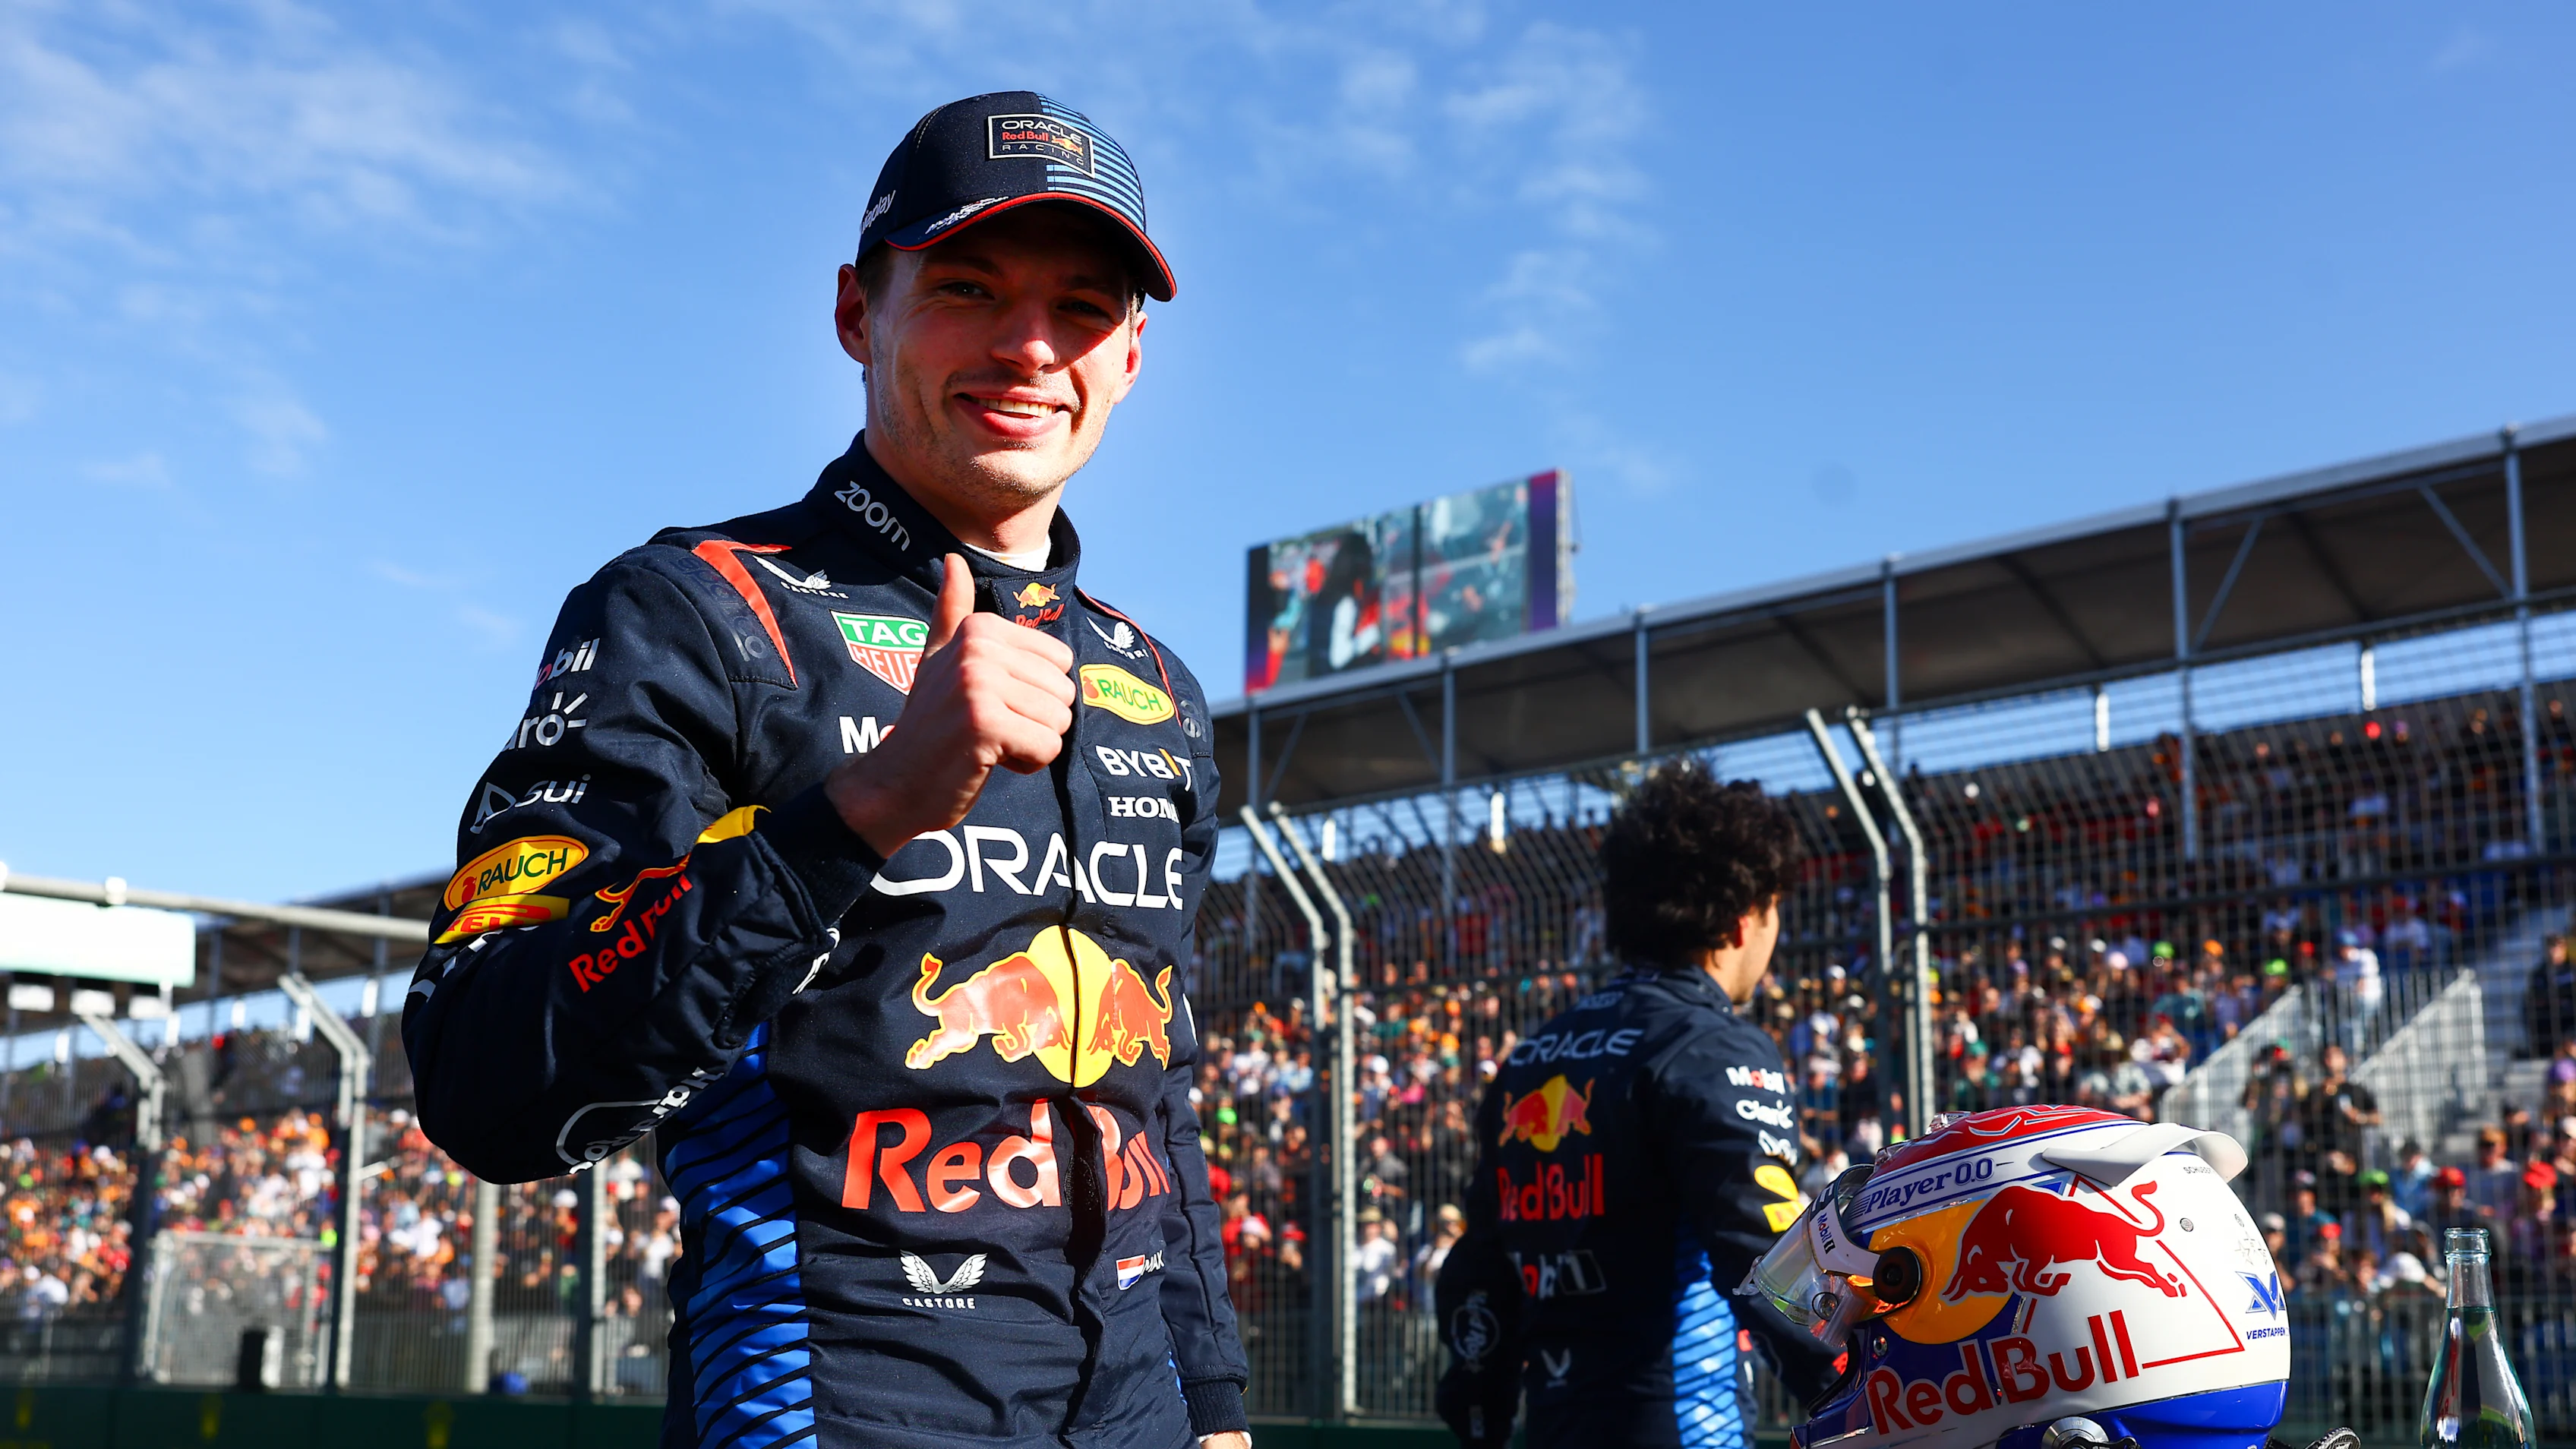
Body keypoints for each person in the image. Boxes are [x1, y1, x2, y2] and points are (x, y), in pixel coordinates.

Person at [402, 92, 1252, 1449]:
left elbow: (1152, 1095)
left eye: (1080, 309)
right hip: (840, 1408)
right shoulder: (697, 612)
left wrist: (1212, 1408)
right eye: (968, 288)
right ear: (859, 313)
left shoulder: (1158, 686)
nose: (1029, 347)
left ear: (1131, 356)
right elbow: (481, 1070)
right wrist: (857, 813)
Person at [1434, 762, 1839, 1449]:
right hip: (1679, 1425)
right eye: (1775, 911)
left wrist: (1479, 1399)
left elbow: (1482, 1263)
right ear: (1744, 921)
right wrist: (1860, 1389)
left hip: (1553, 1428)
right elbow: (1770, 1256)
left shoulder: (1532, 1057)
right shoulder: (1712, 1046)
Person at [2526, 933, 2576, 1058]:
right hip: (2549, 1017)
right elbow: (2537, 996)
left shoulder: (2573, 970)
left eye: (2558, 947)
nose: (2554, 951)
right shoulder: (2539, 973)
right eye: (2551, 947)